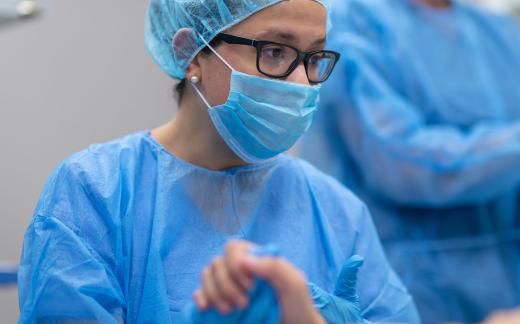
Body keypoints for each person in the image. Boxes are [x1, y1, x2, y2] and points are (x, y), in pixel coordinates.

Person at [17, 0, 420, 323]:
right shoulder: (95, 192)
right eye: (275, 51)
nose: (302, 81)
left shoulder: (336, 210)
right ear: (190, 52)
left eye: (314, 58)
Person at [301, 0, 520, 322]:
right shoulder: (355, 24)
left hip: (516, 294)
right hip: (406, 290)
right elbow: (401, 164)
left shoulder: (497, 31)